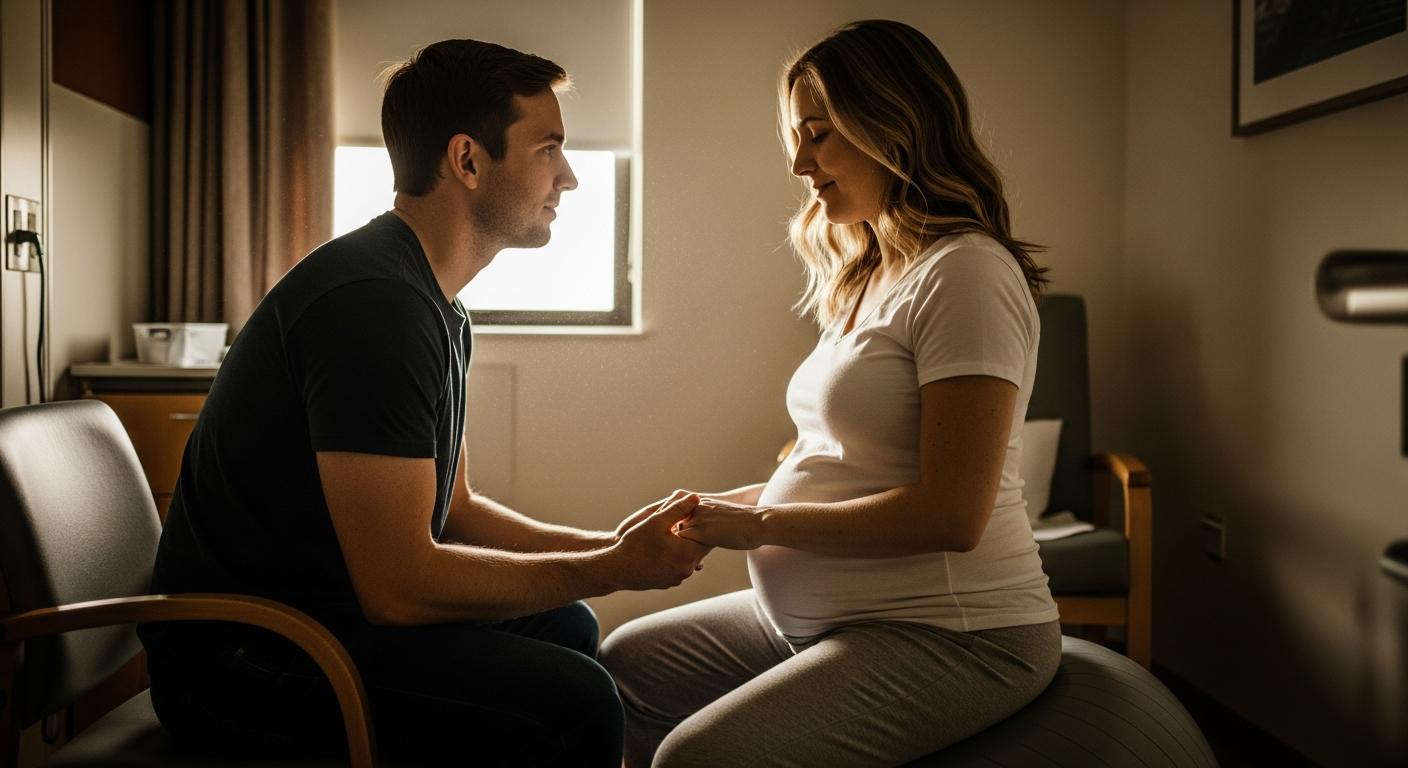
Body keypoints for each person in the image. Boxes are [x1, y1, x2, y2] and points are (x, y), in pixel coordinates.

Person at [138, 38, 707, 766]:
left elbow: (457, 507)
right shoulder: (375, 307)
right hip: (246, 664)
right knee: (576, 703)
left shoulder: (433, 304)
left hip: (319, 620)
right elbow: (400, 589)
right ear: (467, 160)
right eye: (548, 149)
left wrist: (605, 547)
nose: (568, 177)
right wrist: (618, 566)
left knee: (566, 625)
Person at [599, 19, 1061, 767]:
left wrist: (763, 525)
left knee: (699, 757)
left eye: (817, 133)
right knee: (629, 662)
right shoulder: (872, 273)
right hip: (838, 613)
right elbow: (850, 463)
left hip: (953, 632)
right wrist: (718, 510)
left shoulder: (967, 275)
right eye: (797, 134)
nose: (797, 161)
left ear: (892, 125)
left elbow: (953, 513)